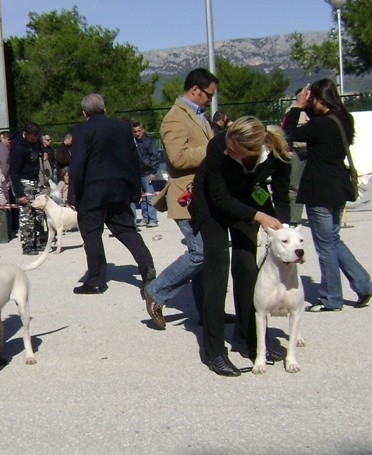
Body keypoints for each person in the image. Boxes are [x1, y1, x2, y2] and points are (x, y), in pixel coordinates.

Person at [191, 116, 291, 376]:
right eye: (228, 144)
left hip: (245, 205)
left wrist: (284, 228)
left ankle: (250, 340)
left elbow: (280, 195)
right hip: (211, 205)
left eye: (234, 150)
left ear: (253, 150)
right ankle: (214, 352)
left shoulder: (276, 155)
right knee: (218, 270)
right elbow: (219, 196)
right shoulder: (217, 145)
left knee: (247, 267)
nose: (227, 150)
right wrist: (259, 217)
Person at [284, 78, 371, 312]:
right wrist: (308, 106)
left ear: (320, 100)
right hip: (338, 186)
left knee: (325, 246)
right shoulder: (343, 119)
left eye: (312, 99)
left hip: (319, 188)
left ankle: (331, 296)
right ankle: (363, 284)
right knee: (333, 240)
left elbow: (289, 133)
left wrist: (297, 106)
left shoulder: (319, 126)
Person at [143, 68, 218, 329]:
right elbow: (177, 158)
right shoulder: (174, 119)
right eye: (208, 95)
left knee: (206, 256)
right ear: (195, 90)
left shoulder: (200, 117)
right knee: (200, 253)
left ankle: (208, 312)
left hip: (203, 194)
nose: (210, 100)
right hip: (186, 196)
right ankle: (155, 291)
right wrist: (214, 147)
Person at [68, 93, 156, 295]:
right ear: (104, 109)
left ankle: (96, 280)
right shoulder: (122, 128)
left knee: (92, 234)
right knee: (127, 230)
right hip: (119, 189)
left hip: (92, 192)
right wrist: (135, 189)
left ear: (84, 113)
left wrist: (73, 194)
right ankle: (147, 269)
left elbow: (78, 163)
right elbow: (133, 159)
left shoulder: (82, 130)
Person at [8, 122, 49, 255]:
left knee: (39, 213)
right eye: (33, 138)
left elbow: (39, 142)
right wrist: (20, 194)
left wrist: (43, 151)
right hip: (23, 181)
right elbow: (13, 171)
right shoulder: (18, 147)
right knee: (27, 214)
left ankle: (40, 241)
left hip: (36, 179)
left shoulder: (36, 140)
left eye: (37, 137)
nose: (35, 140)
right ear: (26, 134)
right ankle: (27, 244)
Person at [281, 88, 309, 226]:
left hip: (310, 150)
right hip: (296, 151)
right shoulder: (291, 111)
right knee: (294, 186)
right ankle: (294, 218)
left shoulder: (311, 112)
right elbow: (285, 130)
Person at [132, 122, 160, 227]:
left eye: (139, 131)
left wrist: (153, 172)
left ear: (143, 130)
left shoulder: (149, 142)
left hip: (148, 172)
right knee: (142, 197)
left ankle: (152, 219)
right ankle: (145, 218)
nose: (137, 133)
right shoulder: (134, 143)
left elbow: (154, 156)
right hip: (138, 173)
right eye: (135, 132)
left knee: (150, 197)